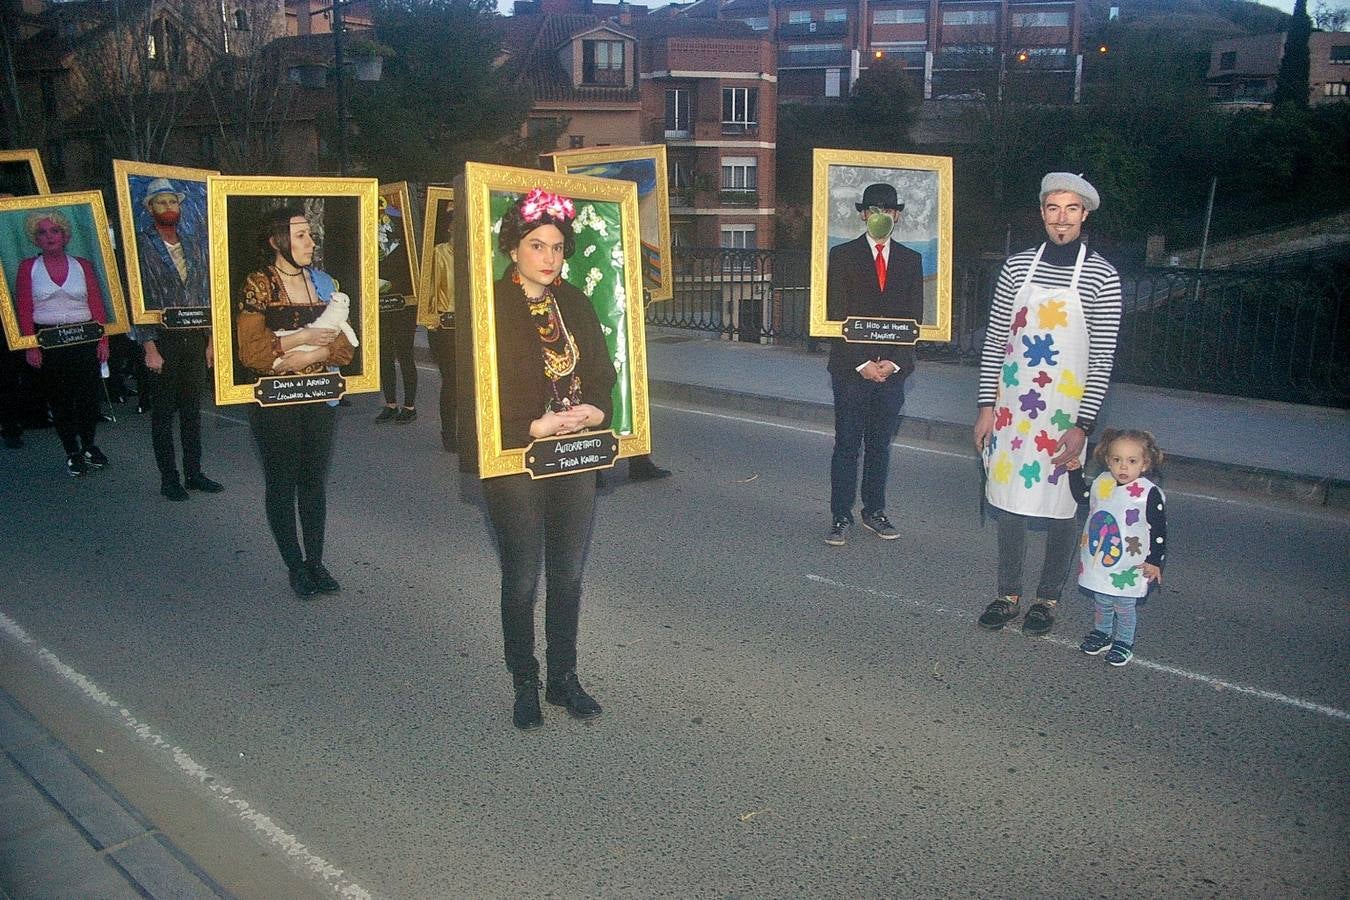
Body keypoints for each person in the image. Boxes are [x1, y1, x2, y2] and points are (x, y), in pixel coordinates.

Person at [485, 188, 616, 730]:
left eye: (557, 247)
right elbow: (476, 389)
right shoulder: (489, 304)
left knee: (568, 576)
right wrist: (530, 426)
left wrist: (593, 410)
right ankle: (525, 681)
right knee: (521, 579)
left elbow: (604, 374)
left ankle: (564, 678)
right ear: (513, 248)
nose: (548, 257)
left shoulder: (577, 303)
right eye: (536, 245)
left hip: (574, 454)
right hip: (519, 454)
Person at [973, 173, 1123, 636]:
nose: (1061, 219)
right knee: (1009, 502)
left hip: (1065, 410)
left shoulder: (1103, 275)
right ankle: (1008, 593)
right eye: (1053, 209)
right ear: (1042, 213)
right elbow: (997, 338)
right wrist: (984, 408)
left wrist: (1083, 424)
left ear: (1085, 215)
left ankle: (1048, 598)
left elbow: (1102, 354)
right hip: (1013, 407)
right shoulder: (1017, 267)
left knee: (1062, 506)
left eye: (1071, 209)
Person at [235, 205, 354, 599]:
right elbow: (251, 352)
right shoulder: (258, 283)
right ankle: (296, 565)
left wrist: (308, 356)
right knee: (282, 482)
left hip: (318, 395)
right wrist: (302, 338)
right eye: (301, 235)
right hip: (276, 401)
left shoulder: (323, 282)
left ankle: (317, 562)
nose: (310, 242)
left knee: (314, 482)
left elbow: (343, 346)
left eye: (310, 234)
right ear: (276, 241)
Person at [824, 182, 923, 546]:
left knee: (880, 445)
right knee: (847, 443)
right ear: (864, 214)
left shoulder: (912, 260)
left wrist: (893, 365)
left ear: (896, 215)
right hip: (851, 370)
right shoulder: (842, 256)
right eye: (873, 209)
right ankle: (840, 515)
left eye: (888, 210)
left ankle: (874, 510)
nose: (881, 215)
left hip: (893, 372)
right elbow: (835, 313)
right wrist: (863, 362)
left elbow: (915, 319)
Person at [131, 177, 225, 501]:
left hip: (195, 338)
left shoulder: (195, 243)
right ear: (150, 209)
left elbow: (208, 292)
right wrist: (149, 347)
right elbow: (138, 297)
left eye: (173, 201)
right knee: (163, 415)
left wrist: (212, 340)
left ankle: (194, 473)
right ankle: (169, 479)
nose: (168, 207)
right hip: (163, 341)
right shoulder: (141, 246)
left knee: (192, 412)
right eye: (161, 202)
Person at [15, 210, 109, 476]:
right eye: (43, 233)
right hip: (50, 341)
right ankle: (72, 451)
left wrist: (103, 339)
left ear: (65, 235)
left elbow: (96, 304)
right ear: (36, 239)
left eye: (54, 231)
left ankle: (90, 445)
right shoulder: (27, 268)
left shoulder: (83, 265)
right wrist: (30, 345)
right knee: (61, 399)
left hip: (84, 339)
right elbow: (23, 309)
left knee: (89, 396)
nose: (49, 237)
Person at [1067, 429, 1167, 667]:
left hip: (1131, 562)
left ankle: (1123, 641)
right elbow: (1082, 497)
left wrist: (1155, 561)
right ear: (1108, 460)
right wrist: (1074, 472)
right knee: (1101, 599)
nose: (1123, 467)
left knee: (1124, 605)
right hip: (1102, 558)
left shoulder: (1148, 494)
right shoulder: (1103, 482)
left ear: (1145, 464)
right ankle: (1102, 633)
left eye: (1132, 461)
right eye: (1117, 460)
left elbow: (1159, 531)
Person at [374, 196, 417, 424]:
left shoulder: (406, 229)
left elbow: (414, 264)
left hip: (404, 301)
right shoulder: (368, 232)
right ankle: (390, 404)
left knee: (405, 353)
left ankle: (409, 406)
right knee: (384, 354)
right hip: (381, 301)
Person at [422, 199, 458, 452]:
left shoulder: (479, 254)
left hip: (474, 330)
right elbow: (429, 291)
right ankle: (449, 433)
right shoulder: (439, 253)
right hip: (445, 329)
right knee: (452, 382)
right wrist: (431, 322)